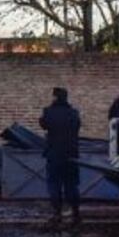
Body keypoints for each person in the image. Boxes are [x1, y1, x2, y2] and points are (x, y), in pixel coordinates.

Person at [40, 87, 81, 229]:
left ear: (55, 97)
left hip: (54, 154)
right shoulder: (73, 113)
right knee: (71, 185)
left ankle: (57, 213)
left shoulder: (49, 112)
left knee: (54, 184)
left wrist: (51, 108)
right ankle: (75, 213)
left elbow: (43, 124)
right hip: (71, 154)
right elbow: (77, 126)